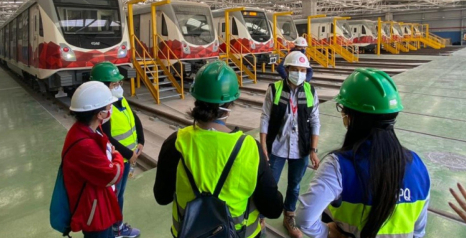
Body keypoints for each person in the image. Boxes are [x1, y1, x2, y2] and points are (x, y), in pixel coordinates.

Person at [153, 60, 284, 238]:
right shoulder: (249, 148)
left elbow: (162, 197)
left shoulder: (175, 143)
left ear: (197, 100)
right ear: (229, 106)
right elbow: (273, 208)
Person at [296, 68, 431, 238]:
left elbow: (304, 218)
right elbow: (418, 232)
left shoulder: (337, 166)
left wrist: (327, 233)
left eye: (344, 109)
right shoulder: (419, 166)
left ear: (352, 117)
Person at [260, 51, 321, 238]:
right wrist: (263, 146)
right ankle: (260, 217)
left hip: (301, 147)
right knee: (270, 183)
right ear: (287, 70)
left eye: (303, 70)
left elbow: (315, 120)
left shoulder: (310, 91)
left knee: (294, 185)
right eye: (295, 69)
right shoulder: (274, 89)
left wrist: (313, 150)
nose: (299, 73)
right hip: (277, 146)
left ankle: (289, 215)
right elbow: (265, 118)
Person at [62, 81, 124, 238]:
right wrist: (117, 156)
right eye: (109, 108)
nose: (110, 110)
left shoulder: (88, 130)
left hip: (98, 203)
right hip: (95, 213)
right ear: (100, 114)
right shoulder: (84, 145)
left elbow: (106, 147)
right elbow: (112, 175)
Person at [90, 62, 143, 238]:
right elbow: (108, 138)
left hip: (125, 160)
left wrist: (140, 141)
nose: (119, 87)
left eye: (119, 84)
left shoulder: (119, 100)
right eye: (114, 85)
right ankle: (116, 229)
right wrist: (130, 155)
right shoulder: (104, 111)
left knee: (119, 195)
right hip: (116, 161)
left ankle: (117, 227)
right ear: (101, 87)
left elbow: (134, 118)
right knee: (114, 196)